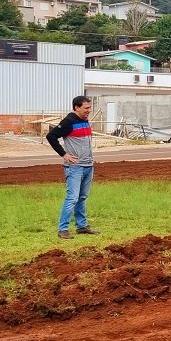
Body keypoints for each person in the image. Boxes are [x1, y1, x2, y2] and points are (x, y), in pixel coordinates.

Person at [46, 95, 100, 239]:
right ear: (77, 107)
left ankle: (81, 226)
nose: (89, 110)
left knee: (82, 197)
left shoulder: (85, 120)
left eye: (90, 107)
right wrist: (64, 154)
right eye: (86, 108)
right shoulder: (69, 121)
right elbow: (51, 136)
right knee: (72, 198)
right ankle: (62, 229)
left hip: (88, 165)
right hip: (75, 167)